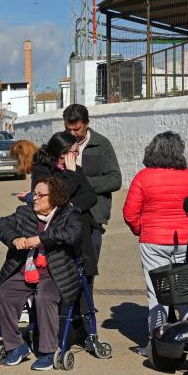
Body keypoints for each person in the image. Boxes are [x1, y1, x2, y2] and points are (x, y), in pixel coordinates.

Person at [122, 132, 188, 353]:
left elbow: (130, 213)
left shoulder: (143, 177)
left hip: (153, 240)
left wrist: (141, 229)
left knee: (157, 294)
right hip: (184, 240)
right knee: (183, 292)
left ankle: (156, 345)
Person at [0, 176, 84, 370]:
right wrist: (14, 238)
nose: (35, 198)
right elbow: (0, 225)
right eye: (34, 194)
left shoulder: (69, 213)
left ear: (55, 197)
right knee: (3, 293)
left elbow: (73, 234)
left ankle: (49, 351)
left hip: (55, 273)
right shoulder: (25, 212)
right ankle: (16, 346)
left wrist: (41, 239)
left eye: (40, 195)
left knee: (44, 297)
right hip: (26, 269)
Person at [62, 104, 121, 278]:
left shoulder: (102, 144)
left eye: (77, 129)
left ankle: (87, 296)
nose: (72, 134)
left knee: (88, 268)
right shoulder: (60, 142)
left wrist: (82, 182)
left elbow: (115, 179)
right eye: (68, 129)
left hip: (93, 216)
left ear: (87, 124)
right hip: (64, 216)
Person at [29, 132, 98, 279]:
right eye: (75, 151)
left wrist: (70, 205)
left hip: (81, 228)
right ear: (62, 153)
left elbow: (91, 196)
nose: (77, 154)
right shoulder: (42, 171)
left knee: (85, 275)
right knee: (64, 277)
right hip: (56, 230)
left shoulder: (75, 169)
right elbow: (56, 197)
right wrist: (71, 174)